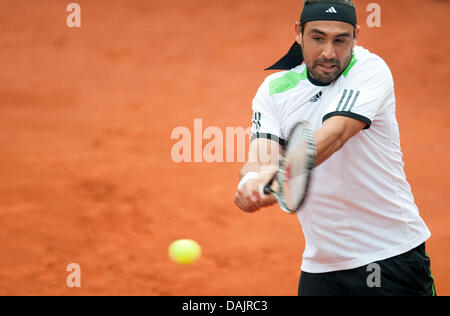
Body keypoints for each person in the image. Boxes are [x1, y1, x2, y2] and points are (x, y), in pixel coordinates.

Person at [233, 0, 436, 296]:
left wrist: (279, 176)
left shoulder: (369, 70)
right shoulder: (275, 88)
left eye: (340, 40)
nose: (329, 52)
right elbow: (262, 154)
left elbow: (336, 133)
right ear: (298, 33)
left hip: (391, 257)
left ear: (356, 35)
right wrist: (251, 181)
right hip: (322, 266)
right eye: (318, 38)